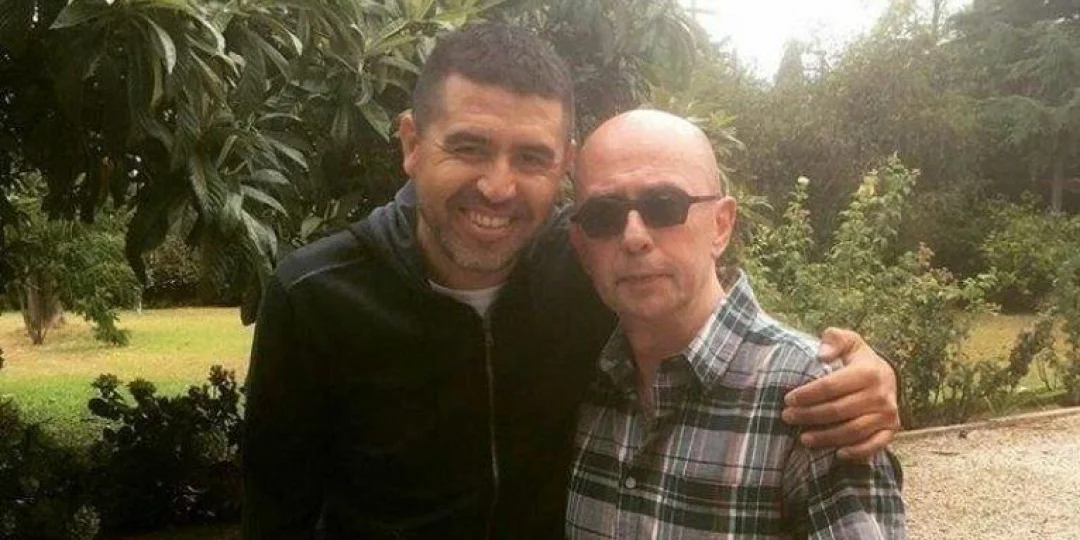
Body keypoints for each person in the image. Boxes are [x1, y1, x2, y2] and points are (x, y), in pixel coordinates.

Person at [242, 23, 901, 540]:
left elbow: (703, 312)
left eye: (531, 157)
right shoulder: (316, 297)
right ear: (413, 144)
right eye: (469, 147)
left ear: (565, 166)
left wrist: (856, 371)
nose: (497, 187)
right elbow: (278, 518)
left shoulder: (589, 257)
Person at [564, 109, 905, 539]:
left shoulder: (815, 399)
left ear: (721, 226)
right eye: (602, 215)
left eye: (663, 206)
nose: (634, 236)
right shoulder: (577, 380)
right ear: (581, 247)